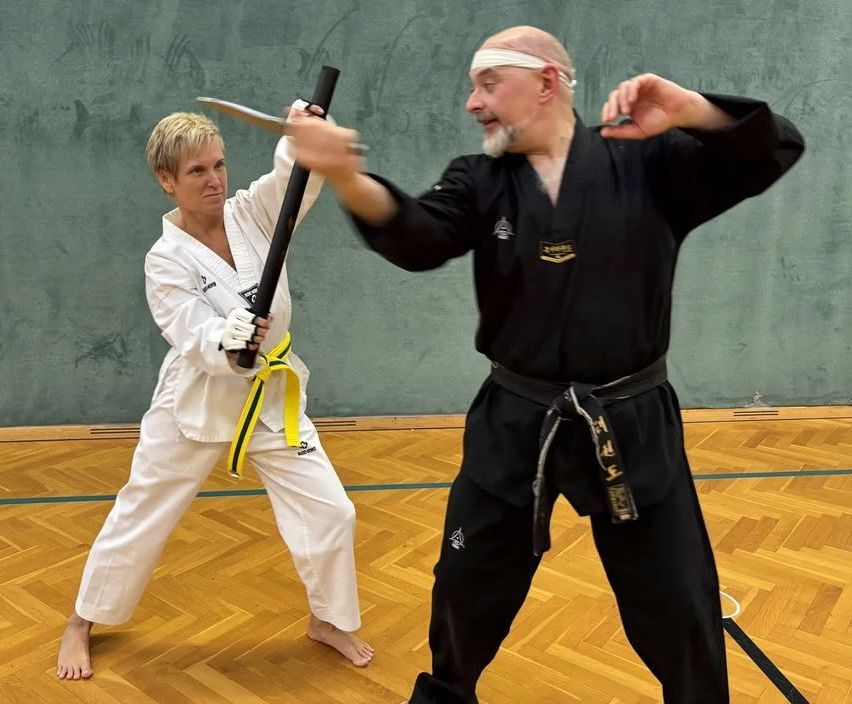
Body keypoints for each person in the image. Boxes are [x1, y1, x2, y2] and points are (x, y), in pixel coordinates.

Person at [287, 25, 804, 704]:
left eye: (487, 83)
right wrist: (344, 173)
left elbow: (774, 150)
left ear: (547, 81)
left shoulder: (648, 164)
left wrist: (694, 113)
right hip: (515, 417)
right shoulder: (479, 179)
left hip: (631, 418)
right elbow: (418, 235)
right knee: (465, 591)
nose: (472, 103)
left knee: (678, 599)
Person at [56, 102, 374, 681]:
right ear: (167, 180)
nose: (215, 179)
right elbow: (190, 331)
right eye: (198, 170)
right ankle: (81, 620)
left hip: (273, 401)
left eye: (219, 164)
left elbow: (291, 183)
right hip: (197, 404)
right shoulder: (164, 260)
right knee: (140, 513)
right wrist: (229, 337)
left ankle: (328, 619)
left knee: (333, 511)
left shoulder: (251, 213)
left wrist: (302, 133)